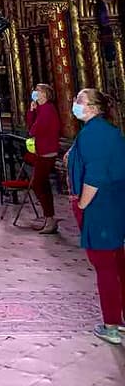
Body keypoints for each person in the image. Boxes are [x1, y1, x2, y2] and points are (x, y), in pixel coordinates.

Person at [66, 87, 125, 345]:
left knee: (104, 266)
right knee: (119, 263)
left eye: (80, 101)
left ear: (93, 108)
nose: (75, 104)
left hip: (100, 207)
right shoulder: (107, 131)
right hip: (116, 203)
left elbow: (96, 174)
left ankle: (112, 324)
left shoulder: (93, 134)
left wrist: (82, 204)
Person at [26, 82, 61, 233]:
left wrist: (34, 113)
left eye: (37, 91)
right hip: (43, 151)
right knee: (43, 185)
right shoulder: (41, 109)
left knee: (38, 184)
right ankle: (49, 218)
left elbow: (33, 130)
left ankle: (50, 218)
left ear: (45, 94)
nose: (34, 92)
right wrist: (32, 111)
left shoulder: (47, 110)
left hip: (47, 153)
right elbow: (30, 126)